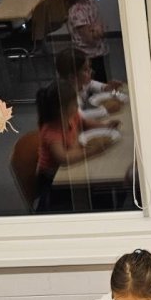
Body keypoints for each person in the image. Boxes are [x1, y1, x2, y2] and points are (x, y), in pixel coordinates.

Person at [34, 82, 119, 213]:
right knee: (99, 195)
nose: (77, 106)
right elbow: (63, 158)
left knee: (102, 189)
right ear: (61, 110)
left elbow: (85, 122)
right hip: (53, 179)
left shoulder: (71, 116)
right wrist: (92, 151)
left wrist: (105, 125)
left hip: (71, 166)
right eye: (74, 103)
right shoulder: (51, 131)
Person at [65, 0, 110, 82]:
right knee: (93, 83)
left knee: (101, 81)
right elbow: (89, 38)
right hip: (87, 57)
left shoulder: (90, 2)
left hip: (97, 52)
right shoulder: (76, 11)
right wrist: (97, 30)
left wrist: (97, 28)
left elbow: (100, 22)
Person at [55, 46, 124, 113]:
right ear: (72, 77)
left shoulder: (81, 84)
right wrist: (106, 110)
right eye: (85, 69)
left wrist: (106, 87)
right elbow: (80, 116)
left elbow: (91, 84)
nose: (91, 71)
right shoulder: (70, 96)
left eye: (89, 67)